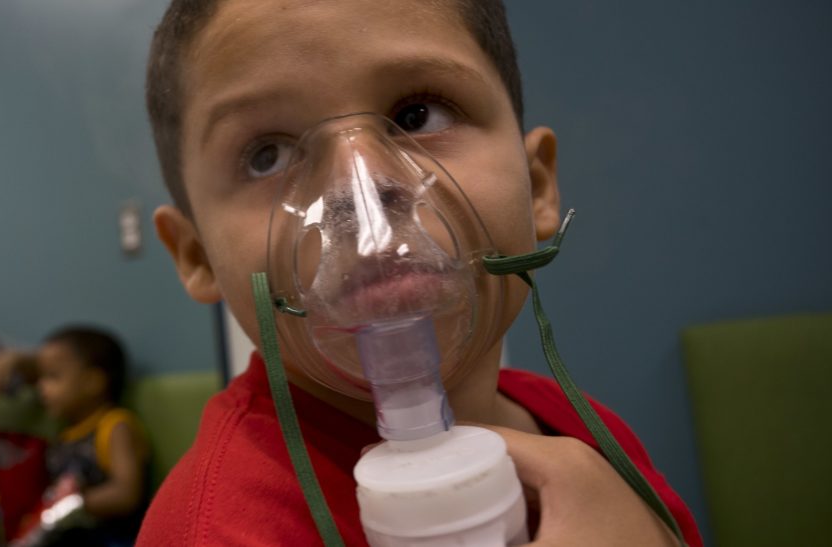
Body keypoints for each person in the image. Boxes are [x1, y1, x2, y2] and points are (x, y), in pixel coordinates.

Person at [137, 1, 703, 545]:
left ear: (536, 186)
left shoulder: (585, 437)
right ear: (196, 255)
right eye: (268, 155)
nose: (357, 193)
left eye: (417, 115)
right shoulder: (215, 532)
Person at [0, 326, 147, 547]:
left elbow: (126, 493)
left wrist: (70, 505)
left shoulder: (114, 426)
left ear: (92, 382)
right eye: (40, 378)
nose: (41, 388)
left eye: (52, 377)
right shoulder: (63, 435)